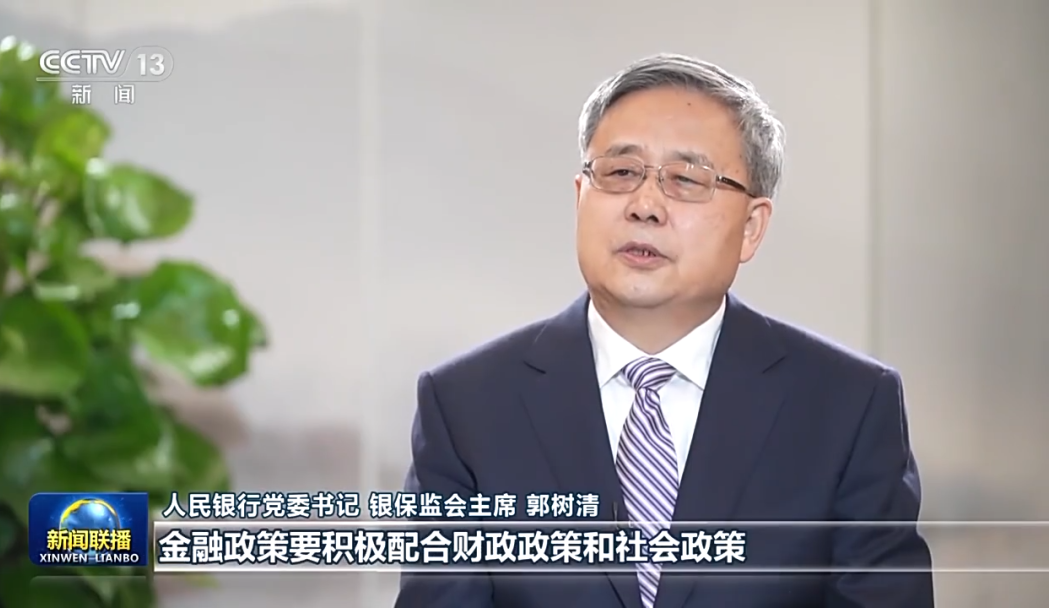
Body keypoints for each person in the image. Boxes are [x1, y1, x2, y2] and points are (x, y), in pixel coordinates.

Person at [394, 53, 934, 608]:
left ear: (751, 227)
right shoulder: (466, 406)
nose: (645, 206)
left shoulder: (847, 406)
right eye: (620, 173)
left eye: (686, 179)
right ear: (581, 197)